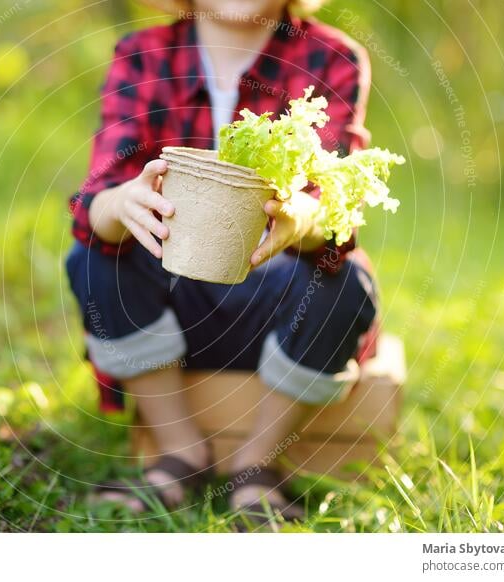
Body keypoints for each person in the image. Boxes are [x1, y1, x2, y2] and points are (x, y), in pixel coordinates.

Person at [65, 0, 378, 520]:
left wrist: (301, 219)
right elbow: (98, 200)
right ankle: (178, 448)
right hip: (173, 311)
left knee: (343, 284)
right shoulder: (142, 54)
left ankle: (258, 464)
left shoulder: (331, 56)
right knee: (95, 260)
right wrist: (117, 203)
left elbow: (336, 212)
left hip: (278, 310)